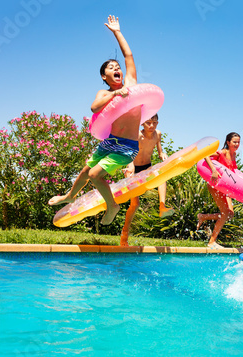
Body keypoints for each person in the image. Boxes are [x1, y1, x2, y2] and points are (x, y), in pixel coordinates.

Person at [48, 15, 141, 225]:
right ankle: (69, 196)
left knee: (95, 174)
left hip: (127, 146)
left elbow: (129, 54)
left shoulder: (132, 84)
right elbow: (94, 107)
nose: (116, 68)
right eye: (110, 67)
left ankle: (112, 205)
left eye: (117, 66)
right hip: (110, 142)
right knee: (84, 171)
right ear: (103, 76)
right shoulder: (104, 93)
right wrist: (115, 95)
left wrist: (117, 32)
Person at [120, 113, 174, 246]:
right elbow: (129, 154)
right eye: (148, 123)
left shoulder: (158, 134)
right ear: (142, 124)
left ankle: (162, 206)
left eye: (154, 123)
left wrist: (163, 154)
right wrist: (130, 167)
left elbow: (160, 151)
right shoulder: (137, 135)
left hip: (146, 168)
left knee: (162, 177)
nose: (152, 126)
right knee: (135, 204)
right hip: (133, 168)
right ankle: (124, 236)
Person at [196, 132, 240, 249]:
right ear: (228, 142)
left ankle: (204, 217)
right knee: (225, 213)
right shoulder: (223, 152)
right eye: (234, 142)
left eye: (238, 142)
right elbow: (205, 154)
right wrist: (213, 170)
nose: (237, 144)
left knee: (230, 214)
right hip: (216, 184)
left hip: (226, 187)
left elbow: (232, 172)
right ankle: (211, 242)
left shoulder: (234, 154)